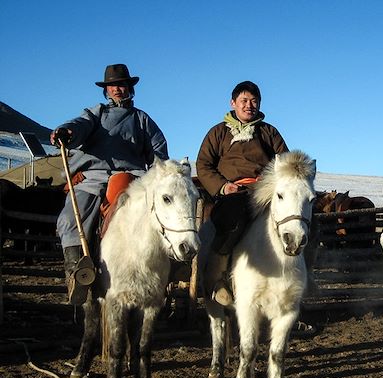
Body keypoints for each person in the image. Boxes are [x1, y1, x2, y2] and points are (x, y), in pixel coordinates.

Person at [196, 81, 317, 335]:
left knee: (307, 224)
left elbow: (286, 165)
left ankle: (302, 282)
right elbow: (204, 165)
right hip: (233, 193)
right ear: (233, 103)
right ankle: (218, 278)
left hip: (267, 192)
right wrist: (222, 186)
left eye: (254, 101)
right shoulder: (218, 133)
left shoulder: (268, 132)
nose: (249, 106)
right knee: (234, 220)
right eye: (244, 101)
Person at [50, 64, 169, 305]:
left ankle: (164, 272)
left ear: (130, 89)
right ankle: (77, 273)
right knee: (70, 218)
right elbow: (79, 125)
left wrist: (161, 172)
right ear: (106, 90)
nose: (118, 89)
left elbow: (158, 152)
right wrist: (66, 131)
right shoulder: (96, 114)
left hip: (130, 176)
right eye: (113, 85)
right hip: (93, 177)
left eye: (122, 85)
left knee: (157, 217)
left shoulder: (142, 120)